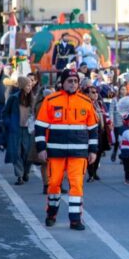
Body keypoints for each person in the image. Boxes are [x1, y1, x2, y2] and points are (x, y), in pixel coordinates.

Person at [34, 68, 99, 230]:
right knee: (54, 183)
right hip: (55, 152)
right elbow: (40, 127)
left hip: (79, 153)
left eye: (76, 81)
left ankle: (75, 219)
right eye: (70, 81)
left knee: (76, 184)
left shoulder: (86, 102)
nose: (73, 84)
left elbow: (93, 129)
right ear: (62, 83)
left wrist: (93, 150)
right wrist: (41, 148)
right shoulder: (50, 100)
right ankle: (51, 214)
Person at [0, 76, 34, 185]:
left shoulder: (33, 98)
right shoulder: (13, 98)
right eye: (27, 85)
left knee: (28, 153)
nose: (30, 87)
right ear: (22, 86)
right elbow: (5, 113)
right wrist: (9, 123)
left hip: (29, 130)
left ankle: (26, 172)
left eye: (30, 85)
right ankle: (19, 176)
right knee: (16, 153)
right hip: (15, 130)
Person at [82, 81, 109, 183]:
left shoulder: (99, 104)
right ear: (87, 94)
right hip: (89, 131)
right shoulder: (85, 104)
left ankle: (95, 171)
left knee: (99, 151)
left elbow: (105, 114)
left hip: (101, 130)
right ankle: (91, 173)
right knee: (91, 151)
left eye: (97, 92)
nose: (96, 94)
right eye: (93, 92)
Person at [110, 85, 127, 162]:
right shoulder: (115, 99)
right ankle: (114, 151)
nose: (123, 91)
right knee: (117, 140)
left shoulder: (128, 99)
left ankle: (122, 157)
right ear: (119, 91)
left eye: (125, 89)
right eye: (122, 89)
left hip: (125, 123)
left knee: (123, 140)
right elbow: (111, 111)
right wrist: (111, 121)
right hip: (117, 123)